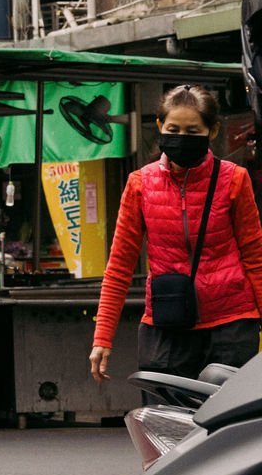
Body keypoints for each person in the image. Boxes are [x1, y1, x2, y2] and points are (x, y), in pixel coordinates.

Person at [91, 84, 262, 385]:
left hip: (231, 325)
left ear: (212, 131)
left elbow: (255, 257)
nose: (182, 137)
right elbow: (119, 266)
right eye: (174, 128)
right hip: (166, 325)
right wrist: (102, 338)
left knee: (229, 426)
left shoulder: (234, 179)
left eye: (193, 130)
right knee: (165, 423)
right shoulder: (139, 184)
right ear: (160, 126)